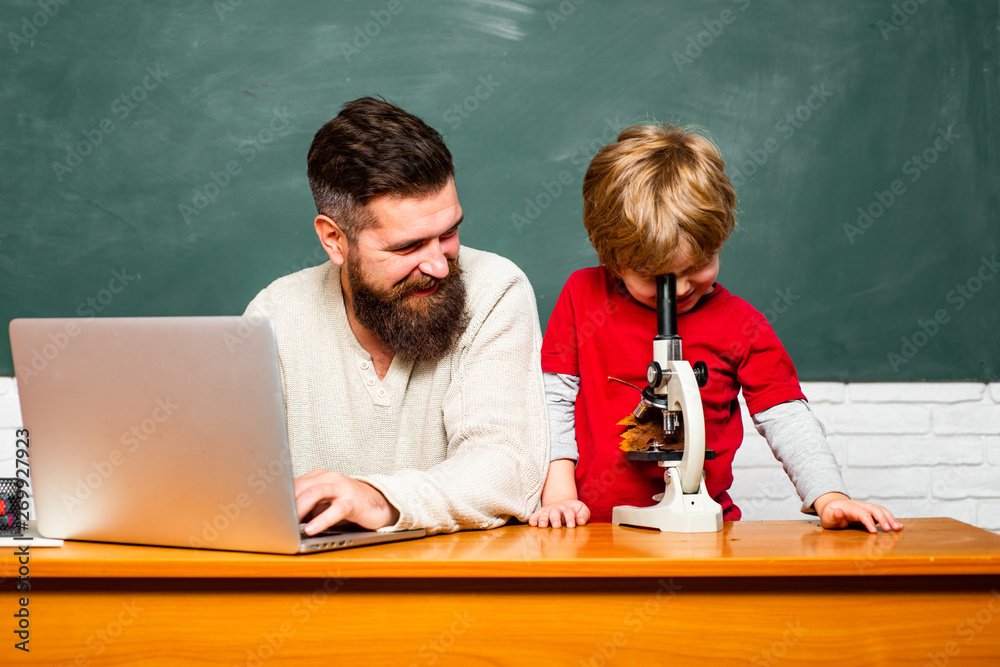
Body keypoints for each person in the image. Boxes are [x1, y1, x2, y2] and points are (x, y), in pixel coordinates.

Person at [529, 123, 903, 534]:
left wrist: (829, 496)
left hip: (704, 531)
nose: (683, 287)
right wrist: (560, 495)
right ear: (614, 258)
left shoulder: (742, 324)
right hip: (590, 531)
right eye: (659, 277)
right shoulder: (583, 295)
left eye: (697, 266)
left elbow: (784, 415)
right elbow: (554, 401)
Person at [244, 97, 548, 535]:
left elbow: (508, 468)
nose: (440, 265)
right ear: (334, 239)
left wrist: (380, 500)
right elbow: (236, 487)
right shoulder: (273, 313)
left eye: (449, 233)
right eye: (407, 247)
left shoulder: (497, 289)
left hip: (457, 588)